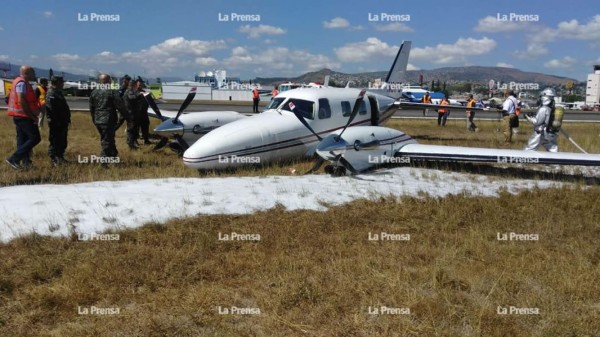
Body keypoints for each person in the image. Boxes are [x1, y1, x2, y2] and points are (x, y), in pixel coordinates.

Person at [5, 65, 42, 170]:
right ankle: (14, 159)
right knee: (35, 138)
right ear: (27, 73)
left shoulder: (19, 81)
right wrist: (31, 115)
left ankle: (25, 162)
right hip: (23, 116)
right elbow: (22, 100)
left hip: (19, 115)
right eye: (32, 72)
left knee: (22, 139)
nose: (34, 74)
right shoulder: (21, 83)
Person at [89, 74, 129, 159]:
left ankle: (113, 155)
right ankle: (104, 160)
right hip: (108, 120)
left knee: (108, 138)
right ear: (109, 81)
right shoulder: (112, 92)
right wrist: (128, 117)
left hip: (98, 120)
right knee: (106, 141)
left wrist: (94, 119)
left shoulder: (94, 92)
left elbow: (91, 108)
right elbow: (120, 106)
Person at [46, 76, 71, 166]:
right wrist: (56, 122)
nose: (63, 84)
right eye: (62, 82)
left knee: (62, 141)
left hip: (62, 121)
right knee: (55, 141)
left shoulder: (58, 92)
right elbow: (51, 109)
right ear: (57, 82)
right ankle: (54, 159)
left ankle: (60, 156)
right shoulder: (51, 93)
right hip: (56, 122)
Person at [525, 88, 558, 152]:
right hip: (549, 133)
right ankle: (556, 162)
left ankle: (521, 161)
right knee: (553, 151)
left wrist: (528, 117)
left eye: (541, 97)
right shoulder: (550, 108)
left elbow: (537, 122)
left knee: (529, 150)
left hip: (540, 133)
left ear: (544, 97)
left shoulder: (543, 109)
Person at [123, 80, 142, 149]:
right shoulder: (129, 91)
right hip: (130, 113)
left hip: (133, 112)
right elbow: (132, 98)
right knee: (131, 129)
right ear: (132, 85)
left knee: (134, 128)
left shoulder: (132, 91)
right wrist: (139, 95)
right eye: (134, 85)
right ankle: (130, 144)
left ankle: (133, 142)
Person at [136, 79, 151, 144]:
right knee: (136, 127)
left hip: (144, 113)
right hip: (136, 113)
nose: (140, 86)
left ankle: (146, 139)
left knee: (145, 125)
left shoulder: (144, 92)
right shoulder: (133, 92)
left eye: (141, 85)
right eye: (139, 85)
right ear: (136, 85)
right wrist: (139, 94)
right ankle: (135, 140)